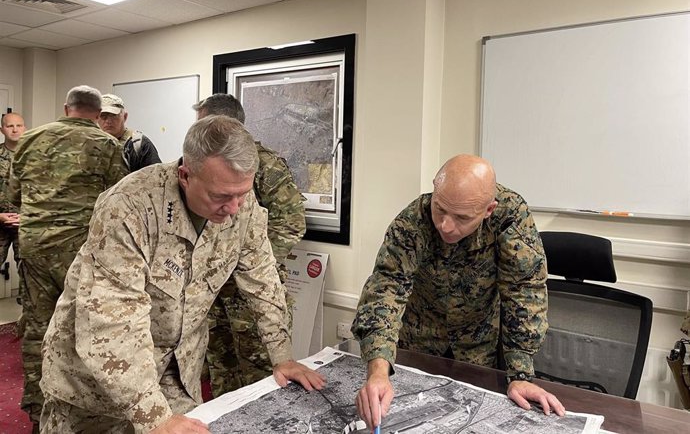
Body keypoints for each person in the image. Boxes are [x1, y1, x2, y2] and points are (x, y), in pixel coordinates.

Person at [39, 115, 324, 433]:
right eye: (220, 197)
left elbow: (263, 279)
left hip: (175, 376)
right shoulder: (129, 208)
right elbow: (111, 323)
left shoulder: (240, 204)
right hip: (96, 389)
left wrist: (282, 356)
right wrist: (153, 416)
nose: (233, 208)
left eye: (241, 194)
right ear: (186, 175)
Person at [351, 154, 565, 431]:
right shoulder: (412, 221)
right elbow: (386, 289)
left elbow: (523, 292)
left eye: (461, 217)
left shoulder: (510, 218)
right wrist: (378, 371)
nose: (445, 225)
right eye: (440, 209)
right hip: (418, 345)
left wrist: (521, 374)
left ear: (488, 210)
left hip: (477, 348)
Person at [8, 86, 127, 429]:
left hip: (33, 245)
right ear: (97, 112)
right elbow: (117, 200)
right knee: (83, 329)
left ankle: (35, 406)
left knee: (37, 325)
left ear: (66, 108)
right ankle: (79, 411)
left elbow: (15, 193)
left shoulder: (30, 140)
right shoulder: (106, 145)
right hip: (78, 250)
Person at [194, 94, 306, 396]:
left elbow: (291, 224)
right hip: (214, 294)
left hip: (253, 297)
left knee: (262, 381)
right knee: (220, 376)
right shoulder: (202, 169)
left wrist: (244, 258)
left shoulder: (265, 164)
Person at [97, 93, 162, 172]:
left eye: (114, 116)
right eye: (103, 116)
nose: (108, 121)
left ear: (125, 117)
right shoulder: (92, 144)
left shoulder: (139, 145)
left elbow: (157, 177)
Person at [0, 113, 25, 279]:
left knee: (29, 276)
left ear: (25, 128)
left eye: (18, 125)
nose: (15, 130)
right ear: (2, 129)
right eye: (10, 126)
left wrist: (28, 216)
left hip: (25, 223)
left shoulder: (34, 156)